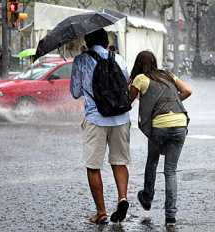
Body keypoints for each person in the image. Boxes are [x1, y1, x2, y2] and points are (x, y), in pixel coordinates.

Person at [70, 29, 131, 224]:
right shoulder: (119, 59)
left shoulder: (81, 61)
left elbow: (75, 92)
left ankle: (101, 212)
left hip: (96, 118)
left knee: (93, 166)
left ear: (87, 42)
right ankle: (122, 198)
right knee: (119, 161)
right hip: (120, 117)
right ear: (106, 42)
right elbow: (126, 85)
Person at [129, 51, 192, 227]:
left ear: (138, 64)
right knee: (170, 171)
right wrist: (172, 102)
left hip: (160, 125)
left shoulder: (140, 78)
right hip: (180, 122)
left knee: (152, 161)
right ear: (155, 62)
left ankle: (147, 197)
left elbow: (128, 101)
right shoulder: (168, 75)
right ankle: (171, 216)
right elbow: (187, 90)